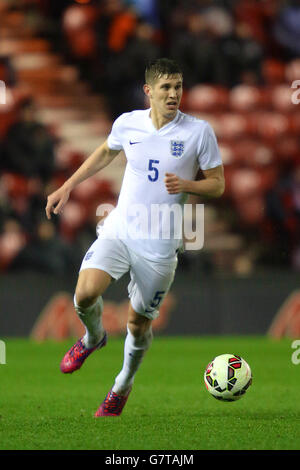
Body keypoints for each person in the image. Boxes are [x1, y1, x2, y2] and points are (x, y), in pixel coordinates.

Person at [45, 58, 225, 417]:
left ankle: (121, 386)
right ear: (149, 92)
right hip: (122, 228)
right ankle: (93, 338)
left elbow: (218, 184)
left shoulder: (198, 131)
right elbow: (105, 151)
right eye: (166, 88)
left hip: (160, 245)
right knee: (84, 295)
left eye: (178, 87)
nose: (174, 94)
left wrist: (188, 185)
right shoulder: (128, 123)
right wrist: (68, 185)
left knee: (138, 324)